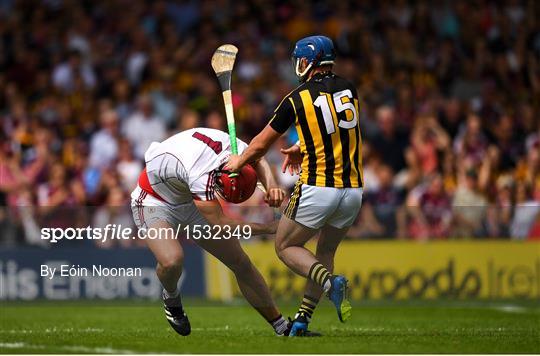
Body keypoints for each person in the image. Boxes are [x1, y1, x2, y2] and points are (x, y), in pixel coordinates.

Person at [227, 36, 363, 336]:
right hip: (353, 191)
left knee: (286, 246)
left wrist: (238, 162)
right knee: (324, 251)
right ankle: (301, 321)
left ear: (308, 62)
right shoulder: (349, 88)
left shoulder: (295, 98)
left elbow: (261, 143)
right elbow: (337, 130)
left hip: (318, 186)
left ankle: (331, 284)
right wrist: (304, 145)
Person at [130, 127, 288, 336]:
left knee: (240, 262)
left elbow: (258, 158)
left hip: (188, 198)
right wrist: (269, 229)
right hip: (154, 201)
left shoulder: (237, 151)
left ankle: (282, 327)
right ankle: (171, 296)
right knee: (172, 260)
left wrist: (272, 185)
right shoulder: (199, 174)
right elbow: (222, 224)